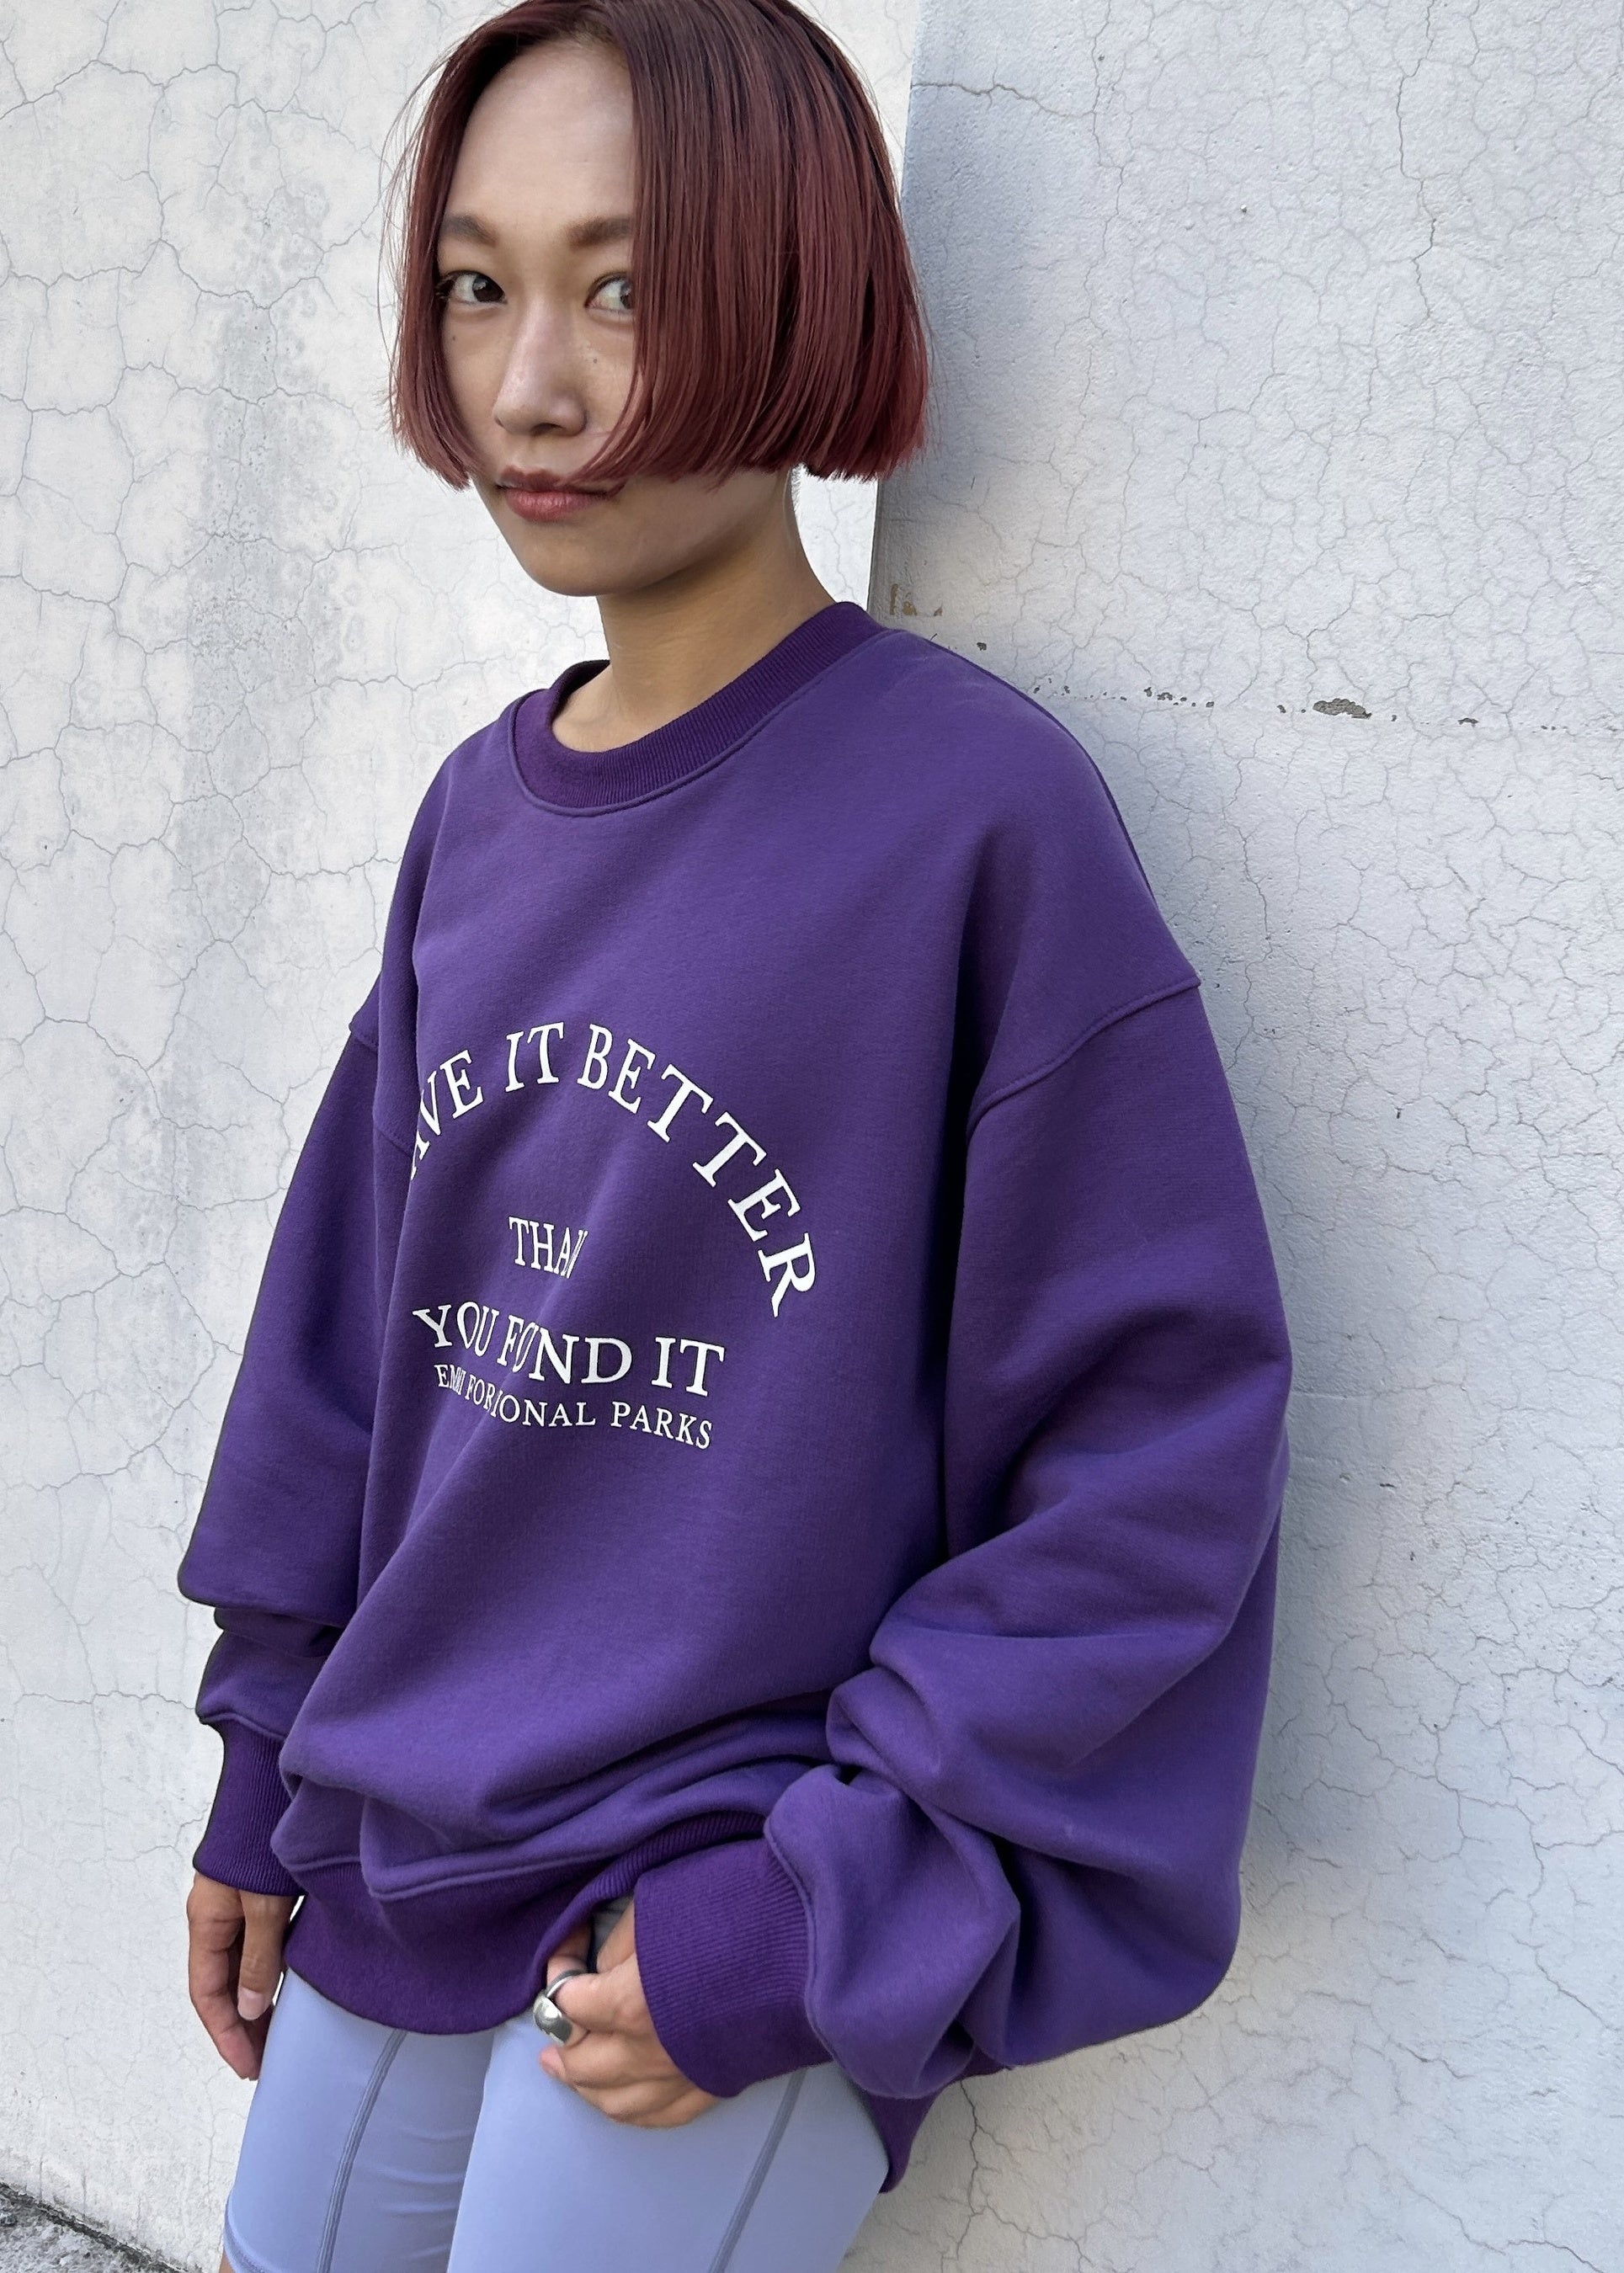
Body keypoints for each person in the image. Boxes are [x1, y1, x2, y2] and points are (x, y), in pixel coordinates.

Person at [175, 3, 1294, 2268]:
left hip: (714, 1897)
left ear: (795, 287)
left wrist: (817, 1911)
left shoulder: (970, 817)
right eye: (477, 284)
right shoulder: (479, 816)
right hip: (397, 1843)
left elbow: (1155, 1438)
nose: (531, 386)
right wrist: (263, 1760)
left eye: (624, 287)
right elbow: (349, 1349)